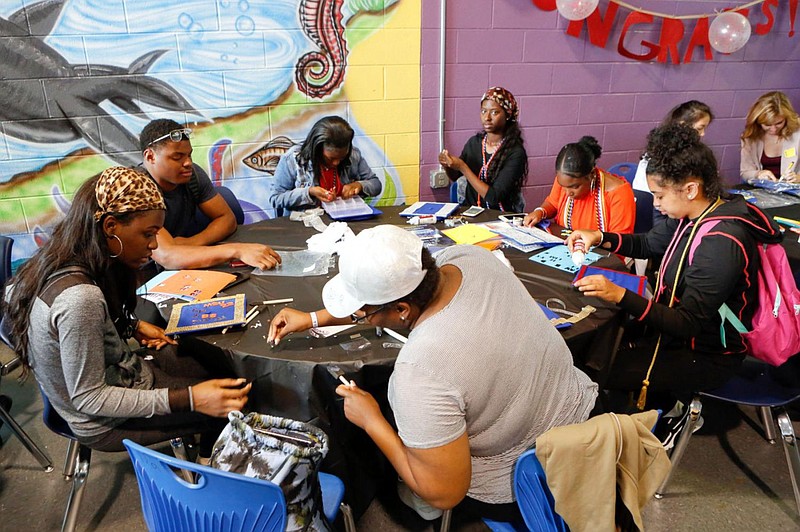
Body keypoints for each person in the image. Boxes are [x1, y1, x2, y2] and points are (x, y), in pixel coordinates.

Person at [267, 225, 597, 523]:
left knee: (402, 488)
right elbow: (400, 291)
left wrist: (373, 421)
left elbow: (445, 493)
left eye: (364, 312)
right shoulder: (469, 258)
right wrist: (313, 318)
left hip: (530, 476)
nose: (361, 316)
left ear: (401, 311)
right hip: (584, 419)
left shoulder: (419, 371)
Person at [1, 167, 251, 456]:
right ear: (110, 227)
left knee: (221, 369)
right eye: (147, 233)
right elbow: (90, 398)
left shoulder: (63, 259)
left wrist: (132, 326)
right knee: (238, 397)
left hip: (123, 374)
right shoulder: (80, 299)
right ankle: (210, 472)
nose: (155, 244)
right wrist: (191, 399)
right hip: (105, 421)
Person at [568, 124, 781, 443]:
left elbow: (686, 324)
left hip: (709, 356)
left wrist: (621, 295)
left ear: (691, 188)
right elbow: (650, 244)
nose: (654, 204)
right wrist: (600, 236)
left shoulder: (722, 243)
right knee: (598, 348)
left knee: (599, 369)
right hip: (675, 335)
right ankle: (644, 413)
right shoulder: (694, 214)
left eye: (659, 195)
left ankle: (657, 425)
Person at [140, 119, 281, 270]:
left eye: (189, 155)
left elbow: (227, 218)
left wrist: (190, 243)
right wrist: (237, 250)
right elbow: (168, 256)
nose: (187, 162)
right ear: (150, 157)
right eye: (177, 157)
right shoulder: (138, 190)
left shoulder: (192, 175)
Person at [438, 87, 528, 212]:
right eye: (483, 111)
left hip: (501, 217)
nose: (487, 118)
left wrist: (463, 167)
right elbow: (456, 176)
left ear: (507, 115)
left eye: (494, 112)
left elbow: (493, 197)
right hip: (471, 211)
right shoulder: (474, 143)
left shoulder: (515, 153)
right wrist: (447, 165)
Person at [268, 116, 382, 213]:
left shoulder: (353, 155)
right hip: (306, 225)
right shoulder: (293, 159)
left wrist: (359, 185)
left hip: (345, 220)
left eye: (342, 157)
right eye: (331, 158)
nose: (336, 163)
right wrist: (309, 192)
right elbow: (276, 198)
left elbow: (376, 184)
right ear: (317, 148)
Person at [523, 136, 635, 233]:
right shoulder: (566, 181)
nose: (567, 193)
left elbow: (620, 239)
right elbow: (553, 204)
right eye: (563, 186)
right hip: (564, 244)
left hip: (601, 254)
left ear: (591, 175)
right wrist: (540, 212)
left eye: (575, 187)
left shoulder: (619, 194)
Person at [632, 100, 714, 194]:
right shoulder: (671, 154)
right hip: (653, 203)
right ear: (683, 125)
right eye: (700, 128)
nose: (703, 134)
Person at [740, 91, 800, 183]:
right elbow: (745, 172)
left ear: (787, 119)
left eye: (779, 123)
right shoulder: (750, 137)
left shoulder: (797, 131)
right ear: (758, 122)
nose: (773, 129)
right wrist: (758, 174)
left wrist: (798, 178)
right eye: (767, 125)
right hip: (764, 190)